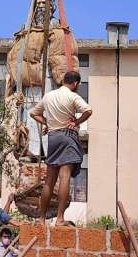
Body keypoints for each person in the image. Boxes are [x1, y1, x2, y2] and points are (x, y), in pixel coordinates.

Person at [30, 70, 93, 226]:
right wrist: (76, 123)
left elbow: (33, 113)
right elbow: (88, 110)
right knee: (65, 177)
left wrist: (47, 123)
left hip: (53, 138)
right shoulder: (72, 96)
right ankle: (59, 218)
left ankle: (42, 219)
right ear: (76, 83)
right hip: (67, 136)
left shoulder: (48, 96)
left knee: (49, 180)